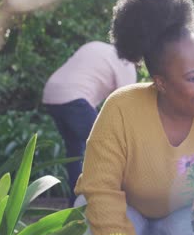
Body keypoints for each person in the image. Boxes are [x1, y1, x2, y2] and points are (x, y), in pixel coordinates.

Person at [74, 0, 194, 235]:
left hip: (181, 224)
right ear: (161, 83)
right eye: (192, 77)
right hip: (126, 215)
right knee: (85, 207)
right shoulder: (121, 108)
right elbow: (100, 189)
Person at [42, 41, 137, 206]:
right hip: (74, 98)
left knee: (75, 152)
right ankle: (117, 203)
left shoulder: (96, 46)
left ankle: (75, 205)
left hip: (52, 95)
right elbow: (127, 107)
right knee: (111, 147)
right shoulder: (126, 63)